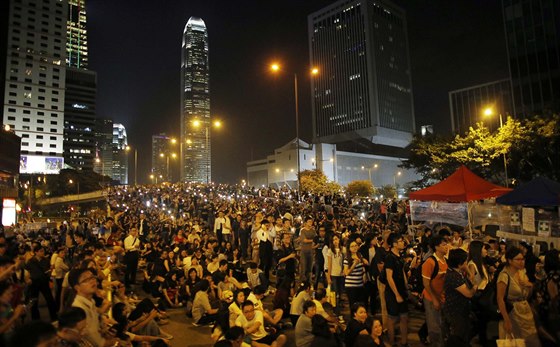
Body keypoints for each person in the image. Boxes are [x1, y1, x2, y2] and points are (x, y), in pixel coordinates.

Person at [497, 246, 540, 347]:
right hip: (513, 312)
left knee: (531, 340)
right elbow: (500, 299)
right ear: (510, 261)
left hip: (525, 311)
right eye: (518, 259)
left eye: (523, 259)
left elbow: (527, 295)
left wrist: (529, 285)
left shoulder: (521, 272)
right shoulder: (504, 276)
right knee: (519, 341)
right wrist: (506, 320)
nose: (522, 262)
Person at [69, 268, 115, 347]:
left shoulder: (90, 300)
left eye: (92, 277)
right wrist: (115, 341)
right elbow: (97, 342)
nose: (92, 281)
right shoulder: (79, 309)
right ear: (77, 287)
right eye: (85, 280)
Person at [442, 248, 476, 347]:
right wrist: (475, 287)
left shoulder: (456, 272)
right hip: (455, 311)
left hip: (460, 310)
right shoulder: (454, 276)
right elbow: (469, 293)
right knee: (458, 337)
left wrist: (469, 272)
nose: (467, 263)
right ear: (459, 263)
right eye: (465, 261)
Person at [422, 235, 448, 347]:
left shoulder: (445, 260)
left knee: (441, 324)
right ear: (436, 247)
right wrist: (434, 299)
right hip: (430, 298)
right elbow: (426, 283)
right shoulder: (430, 262)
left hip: (442, 297)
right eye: (444, 244)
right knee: (434, 327)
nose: (446, 246)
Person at [384, 233, 408, 347]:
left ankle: (404, 342)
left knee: (404, 317)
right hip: (392, 292)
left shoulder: (399, 255)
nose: (403, 242)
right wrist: (397, 294)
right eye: (400, 241)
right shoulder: (389, 257)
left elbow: (402, 271)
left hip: (402, 290)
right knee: (392, 318)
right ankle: (392, 342)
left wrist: (406, 285)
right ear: (394, 244)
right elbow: (389, 277)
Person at [25, 244, 58, 321]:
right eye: (41, 251)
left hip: (44, 282)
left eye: (43, 251)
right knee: (34, 301)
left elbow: (48, 271)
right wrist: (28, 279)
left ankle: (54, 317)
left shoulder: (46, 260)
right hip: (34, 283)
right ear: (36, 252)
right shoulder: (30, 261)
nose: (43, 253)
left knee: (50, 300)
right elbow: (26, 272)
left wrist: (49, 272)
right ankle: (36, 320)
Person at [468, 240, 491, 347]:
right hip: (479, 296)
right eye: (484, 248)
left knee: (482, 323)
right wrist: (475, 286)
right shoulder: (472, 264)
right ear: (478, 250)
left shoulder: (480, 262)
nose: (486, 250)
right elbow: (470, 280)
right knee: (480, 323)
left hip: (484, 295)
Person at [344, 240, 368, 307]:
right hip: (351, 286)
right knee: (353, 306)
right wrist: (354, 264)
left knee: (361, 305)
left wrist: (364, 262)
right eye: (352, 246)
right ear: (349, 248)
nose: (354, 247)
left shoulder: (360, 255)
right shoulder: (347, 258)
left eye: (356, 245)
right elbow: (346, 273)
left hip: (360, 284)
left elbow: (363, 266)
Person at [326, 234, 344, 309]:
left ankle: (339, 304)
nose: (335, 241)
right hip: (333, 273)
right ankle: (334, 307)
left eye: (336, 239)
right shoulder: (330, 251)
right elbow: (329, 264)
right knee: (334, 292)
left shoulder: (343, 249)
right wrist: (328, 276)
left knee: (340, 291)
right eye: (333, 240)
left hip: (341, 274)